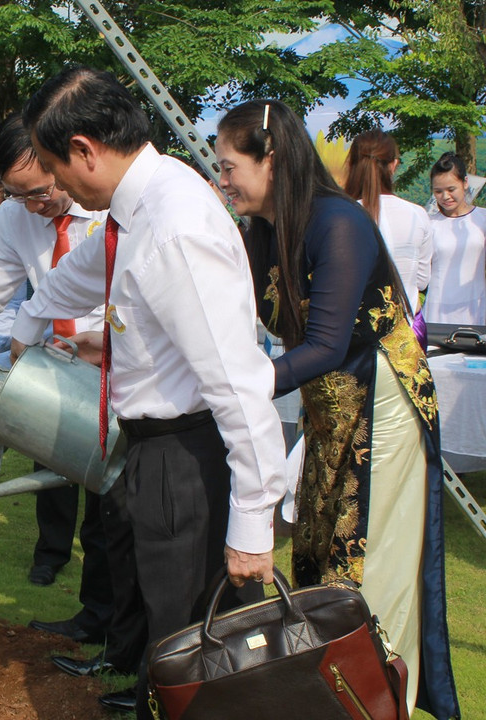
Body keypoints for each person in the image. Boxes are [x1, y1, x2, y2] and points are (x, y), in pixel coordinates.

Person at [13, 67, 286, 719]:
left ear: (84, 149)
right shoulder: (137, 209)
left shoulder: (173, 224)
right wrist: (28, 323)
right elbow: (81, 274)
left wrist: (253, 524)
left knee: (192, 645)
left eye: (55, 168)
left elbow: (238, 383)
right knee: (171, 640)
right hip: (153, 451)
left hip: (184, 457)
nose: (59, 187)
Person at [214, 98, 458, 719]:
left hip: (383, 406)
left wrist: (241, 387)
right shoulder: (263, 231)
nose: (223, 180)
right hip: (328, 408)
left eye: (229, 166)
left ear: (271, 159)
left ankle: (380, 702)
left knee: (368, 564)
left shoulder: (337, 222)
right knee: (319, 555)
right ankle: (330, 698)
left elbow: (325, 344)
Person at [0, 111, 146, 712]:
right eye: (19, 196)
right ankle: (101, 621)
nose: (36, 206)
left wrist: (103, 342)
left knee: (129, 517)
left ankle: (139, 651)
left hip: (134, 375)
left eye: (41, 190)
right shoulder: (19, 216)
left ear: (64, 159)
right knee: (86, 498)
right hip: (61, 375)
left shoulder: (118, 206)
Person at [344, 130, 432, 319]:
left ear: (351, 165)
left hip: (355, 326)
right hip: (404, 327)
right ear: (393, 165)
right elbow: (422, 280)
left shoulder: (343, 216)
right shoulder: (418, 214)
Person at [425, 152, 486, 325]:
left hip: (476, 306)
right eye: (438, 191)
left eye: (451, 190)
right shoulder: (429, 223)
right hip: (437, 308)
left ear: (465, 183)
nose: (445, 197)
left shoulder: (481, 219)